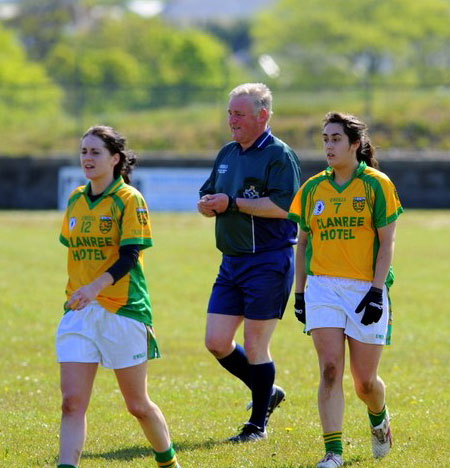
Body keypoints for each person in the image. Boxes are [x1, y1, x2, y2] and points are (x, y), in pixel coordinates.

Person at [56, 126, 180, 468]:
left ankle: (168, 462)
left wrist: (94, 287)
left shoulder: (129, 199)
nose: (87, 158)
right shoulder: (76, 199)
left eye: (95, 152)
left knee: (137, 405)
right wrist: (83, 293)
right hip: (79, 311)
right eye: (83, 151)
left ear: (115, 159)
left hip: (123, 310)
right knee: (71, 403)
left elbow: (129, 256)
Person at [288, 111, 403, 467]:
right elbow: (302, 243)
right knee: (330, 369)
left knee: (365, 382)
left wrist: (375, 290)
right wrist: (301, 292)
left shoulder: (376, 184)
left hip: (365, 288)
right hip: (323, 286)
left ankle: (378, 417)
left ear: (355, 144)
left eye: (335, 139)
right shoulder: (312, 189)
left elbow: (387, 245)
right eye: (324, 139)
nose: (328, 146)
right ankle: (333, 452)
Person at [197, 83, 301, 443]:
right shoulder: (228, 152)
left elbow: (287, 207)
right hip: (231, 263)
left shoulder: (279, 155)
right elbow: (211, 189)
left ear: (263, 115)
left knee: (256, 345)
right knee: (216, 341)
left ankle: (257, 426)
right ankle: (267, 391)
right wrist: (208, 202)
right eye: (230, 113)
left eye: (239, 114)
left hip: (268, 262)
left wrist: (234, 203)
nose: (232, 120)